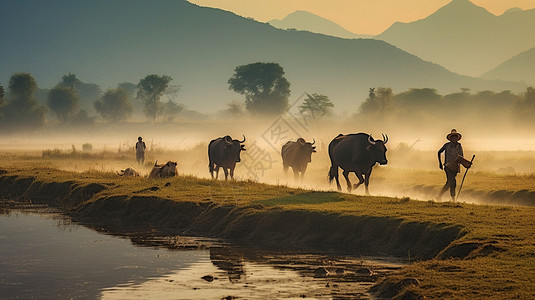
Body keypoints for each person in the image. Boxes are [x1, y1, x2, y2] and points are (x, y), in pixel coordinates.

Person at [437, 129, 465, 201]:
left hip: (455, 167)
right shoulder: (446, 145)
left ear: (457, 138)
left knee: (449, 183)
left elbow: (461, 157)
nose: (454, 138)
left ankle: (439, 196)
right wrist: (440, 163)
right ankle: (453, 199)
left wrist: (466, 165)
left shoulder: (459, 146)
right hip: (447, 166)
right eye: (453, 137)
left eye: (455, 137)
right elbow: (439, 152)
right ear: (451, 138)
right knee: (453, 182)